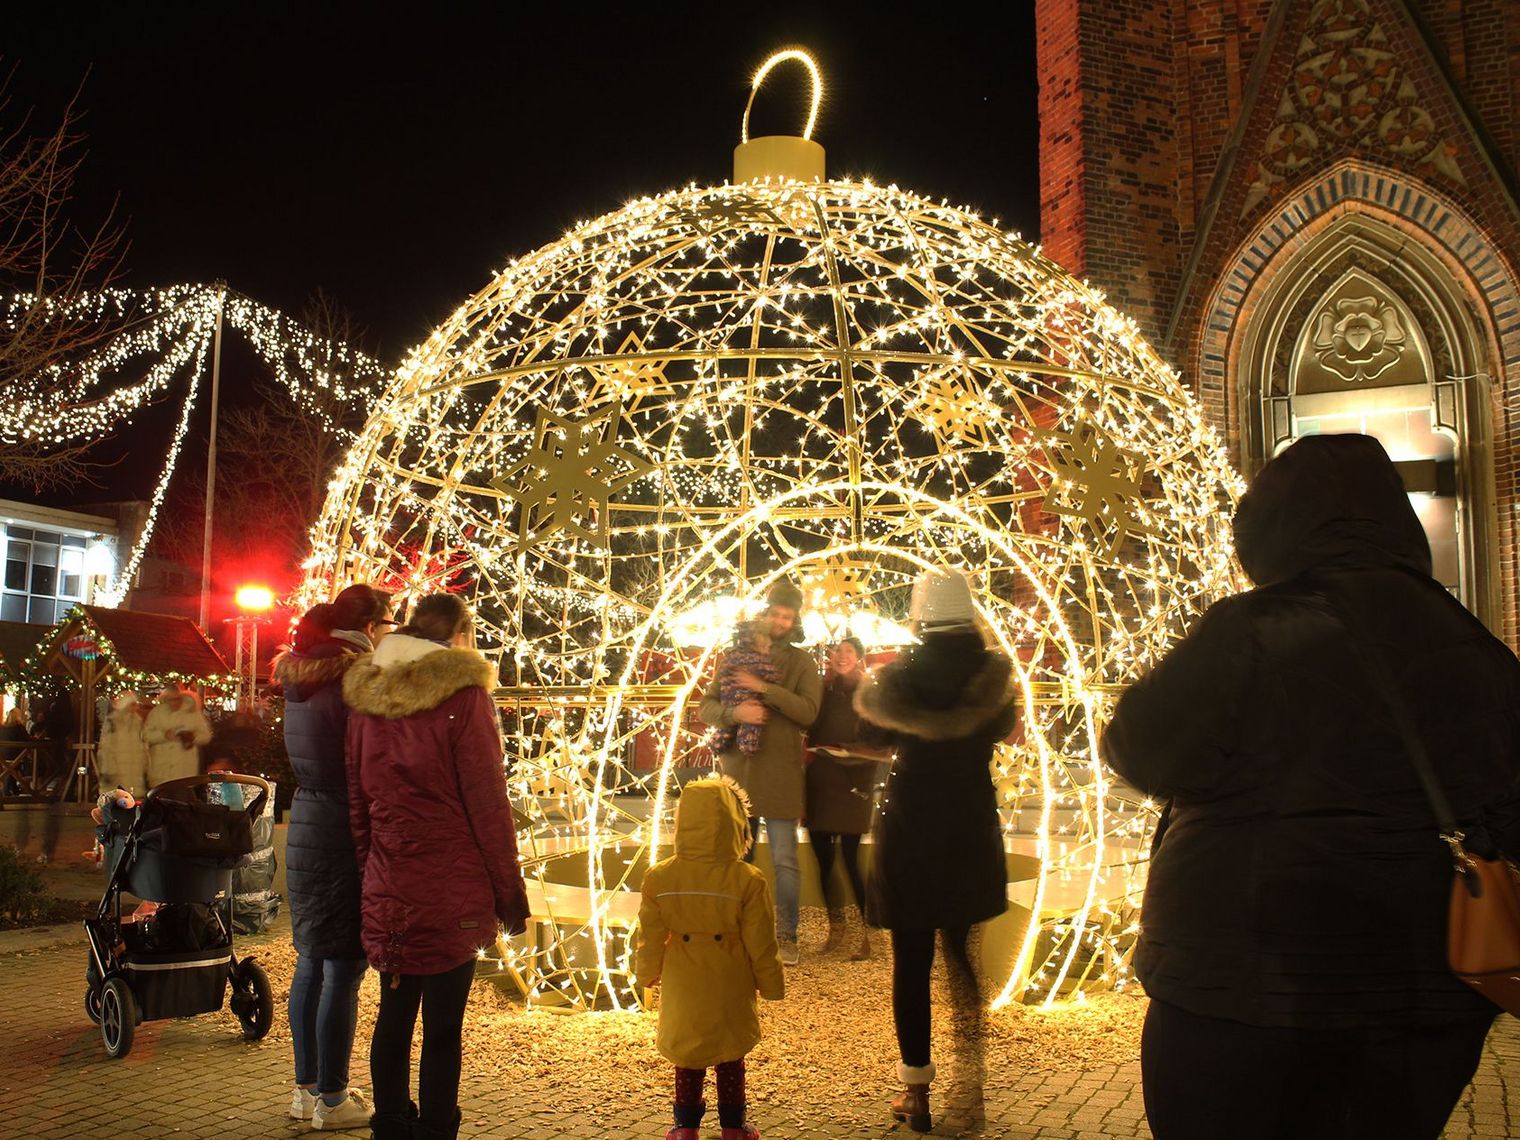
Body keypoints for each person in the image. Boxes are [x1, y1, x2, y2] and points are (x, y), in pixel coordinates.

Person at [1100, 433, 1520, 1140]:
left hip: (1243, 976)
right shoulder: (1474, 643)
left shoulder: (1251, 628)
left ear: (1270, 527)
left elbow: (1140, 749)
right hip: (1423, 989)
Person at [345, 593, 531, 1140]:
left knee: (393, 1015)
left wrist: (371, 876)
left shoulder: (367, 697)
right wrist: (508, 893)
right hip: (455, 885)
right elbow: (487, 803)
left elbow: (358, 804)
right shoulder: (464, 697)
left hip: (390, 881)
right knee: (444, 1026)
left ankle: (390, 1125)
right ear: (459, 634)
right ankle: (435, 1129)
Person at [854, 568, 1015, 1133]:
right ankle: (971, 1082)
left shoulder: (899, 675)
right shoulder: (992, 675)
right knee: (961, 955)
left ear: (920, 615)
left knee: (912, 959)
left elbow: (872, 734)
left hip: (911, 826)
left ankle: (916, 1090)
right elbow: (1003, 727)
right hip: (968, 824)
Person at [276, 583, 392, 1130]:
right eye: (388, 624)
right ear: (369, 626)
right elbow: (373, 760)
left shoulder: (301, 675)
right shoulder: (356, 678)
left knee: (311, 960)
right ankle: (333, 1098)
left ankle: (307, 1090)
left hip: (307, 819)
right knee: (343, 966)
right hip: (344, 825)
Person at [636, 776, 785, 1140]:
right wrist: (771, 984)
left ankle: (685, 1127)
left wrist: (646, 973)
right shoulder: (747, 879)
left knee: (687, 1057)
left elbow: (649, 935)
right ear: (735, 824)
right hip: (729, 977)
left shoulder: (661, 876)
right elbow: (761, 941)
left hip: (683, 978)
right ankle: (734, 1127)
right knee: (730, 1056)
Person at [699, 580, 821, 966]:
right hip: (737, 775)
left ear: (795, 621)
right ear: (765, 615)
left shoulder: (802, 663)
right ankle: (738, 931)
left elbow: (808, 712)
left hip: (781, 775)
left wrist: (764, 689)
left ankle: (786, 936)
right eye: (776, 614)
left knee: (784, 860)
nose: (781, 622)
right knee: (738, 859)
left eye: (788, 616)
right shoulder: (734, 658)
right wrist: (734, 713)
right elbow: (706, 706)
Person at [805, 636, 892, 960]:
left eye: (849, 651)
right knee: (824, 862)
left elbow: (882, 746)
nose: (841, 656)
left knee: (852, 862)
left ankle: (869, 936)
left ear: (859, 657)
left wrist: (847, 751)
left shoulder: (869, 694)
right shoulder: (822, 690)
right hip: (820, 783)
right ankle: (837, 931)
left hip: (853, 785)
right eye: (837, 650)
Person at [708, 621, 778, 757]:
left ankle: (717, 743)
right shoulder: (760, 661)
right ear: (761, 645)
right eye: (767, 647)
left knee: (726, 726)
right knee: (750, 723)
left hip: (728, 698)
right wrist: (773, 680)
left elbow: (723, 673)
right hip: (748, 700)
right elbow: (771, 676)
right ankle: (748, 745)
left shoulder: (731, 656)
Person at [142, 682, 211, 788]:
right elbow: (146, 735)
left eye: (177, 699)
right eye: (171, 700)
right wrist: (164, 735)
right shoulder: (156, 713)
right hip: (161, 769)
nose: (174, 702)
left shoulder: (192, 713)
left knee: (182, 794)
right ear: (165, 700)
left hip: (184, 769)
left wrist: (192, 737)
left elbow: (206, 736)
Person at [96, 691, 149, 800]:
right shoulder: (113, 721)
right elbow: (106, 748)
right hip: (117, 772)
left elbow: (142, 745)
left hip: (134, 771)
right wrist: (108, 770)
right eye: (132, 704)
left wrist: (144, 765)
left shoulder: (137, 722)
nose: (136, 707)